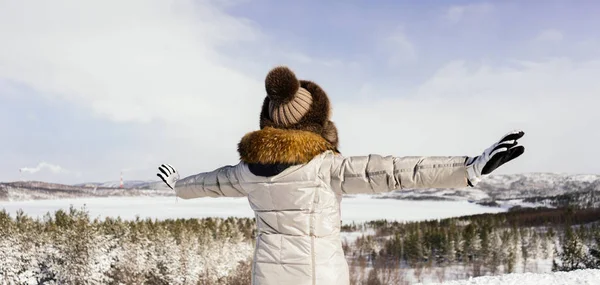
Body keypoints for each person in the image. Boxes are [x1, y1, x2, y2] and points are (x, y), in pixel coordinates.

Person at [156, 66, 525, 285]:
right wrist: (468, 168)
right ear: (314, 120)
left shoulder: (245, 171)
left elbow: (209, 183)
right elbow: (397, 171)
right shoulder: (326, 167)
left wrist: (177, 185)